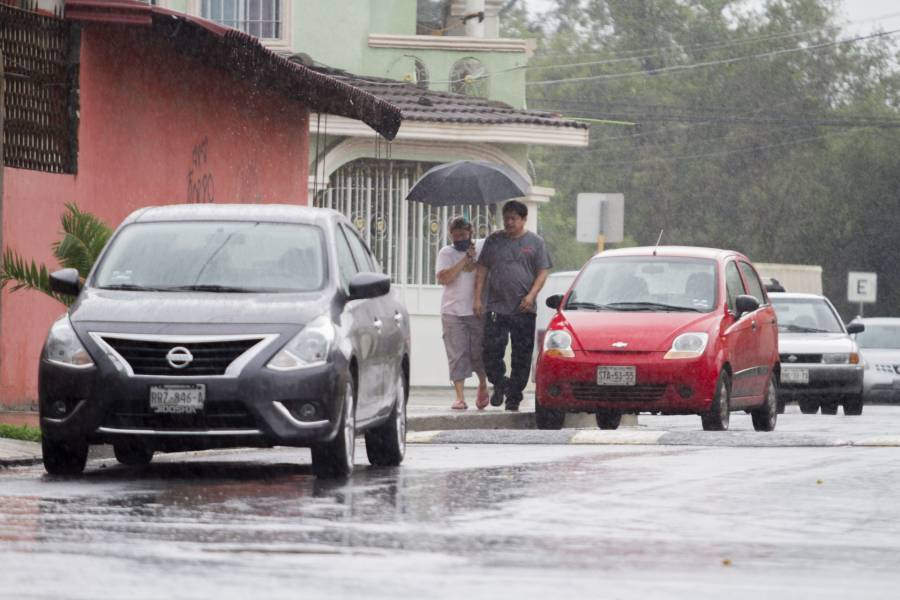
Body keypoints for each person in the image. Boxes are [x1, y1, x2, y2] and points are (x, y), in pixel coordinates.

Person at [474, 200, 551, 411]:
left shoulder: (535, 242)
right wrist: (478, 298)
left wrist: (531, 295)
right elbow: (481, 269)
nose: (509, 222)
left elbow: (543, 271)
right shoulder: (494, 241)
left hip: (523, 308)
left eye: (513, 219)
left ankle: (514, 396)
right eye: (506, 218)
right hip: (496, 307)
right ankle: (501, 383)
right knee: (490, 352)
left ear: (523, 220)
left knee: (521, 354)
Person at [436, 216, 490, 410]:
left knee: (478, 353)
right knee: (456, 354)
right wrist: (463, 260)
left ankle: (483, 384)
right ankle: (460, 396)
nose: (460, 238)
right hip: (452, 311)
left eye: (464, 235)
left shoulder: (481, 248)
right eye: (456, 235)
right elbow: (443, 278)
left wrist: (474, 258)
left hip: (476, 310)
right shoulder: (446, 253)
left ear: (471, 233)